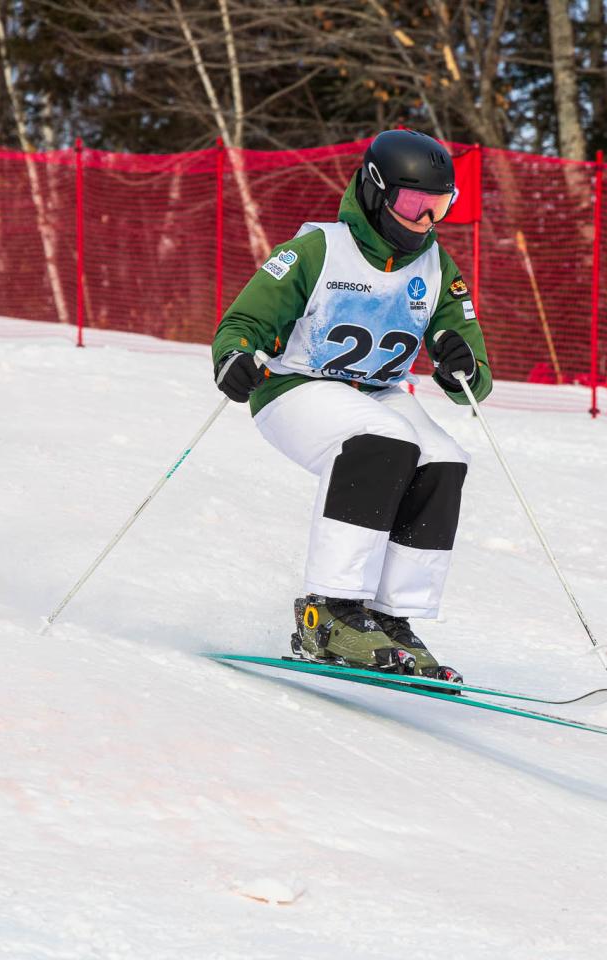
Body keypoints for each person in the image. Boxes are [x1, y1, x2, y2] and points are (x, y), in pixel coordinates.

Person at [211, 129, 491, 681]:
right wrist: (235, 357)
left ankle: (390, 618)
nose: (426, 222)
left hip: (380, 394)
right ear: (375, 190)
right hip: (295, 388)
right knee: (384, 442)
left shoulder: (438, 269)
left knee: (442, 460)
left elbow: (473, 381)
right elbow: (243, 324)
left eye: (439, 207)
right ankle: (329, 612)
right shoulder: (317, 249)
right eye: (414, 205)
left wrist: (459, 363)